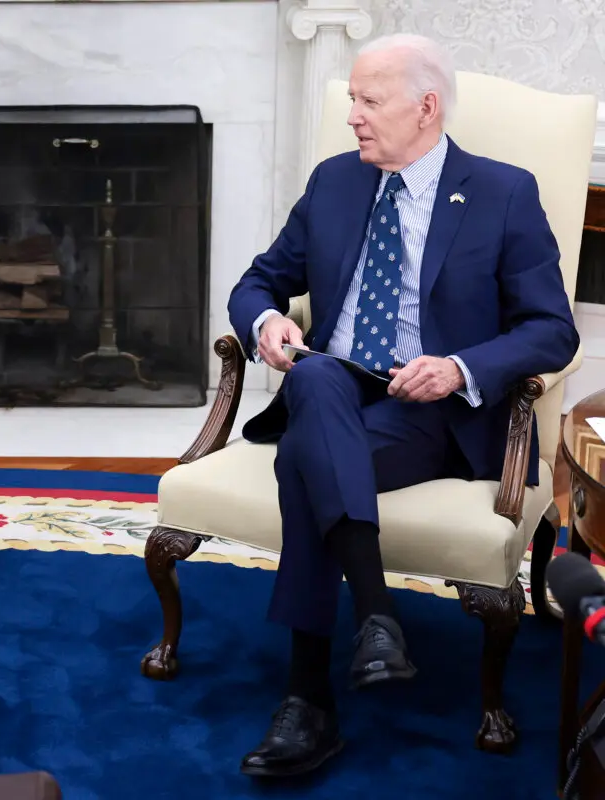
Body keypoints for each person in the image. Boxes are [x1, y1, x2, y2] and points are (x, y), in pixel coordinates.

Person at [227, 33, 579, 778]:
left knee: (304, 459)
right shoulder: (334, 183)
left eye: (367, 100)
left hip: (428, 414)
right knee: (317, 380)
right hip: (335, 386)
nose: (352, 115)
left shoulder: (502, 192)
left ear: (425, 108)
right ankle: (377, 616)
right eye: (350, 98)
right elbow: (257, 282)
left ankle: (307, 699)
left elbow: (552, 328)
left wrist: (458, 368)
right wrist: (268, 322)